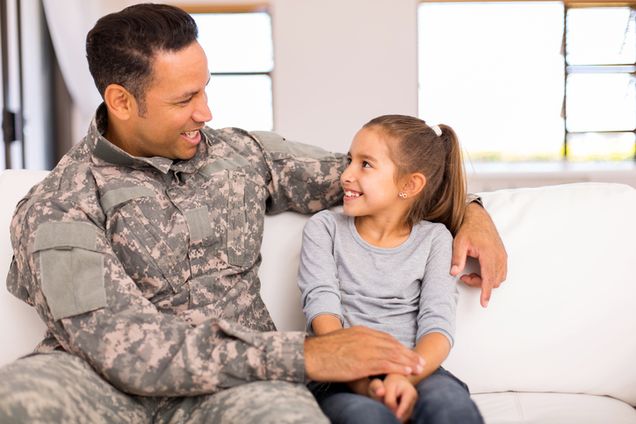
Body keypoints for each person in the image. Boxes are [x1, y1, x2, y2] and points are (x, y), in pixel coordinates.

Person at [0, 4, 505, 423]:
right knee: (19, 398)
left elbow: (388, 182)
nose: (206, 112)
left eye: (205, 88)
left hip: (238, 390)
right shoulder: (59, 205)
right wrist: (306, 355)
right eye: (185, 98)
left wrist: (471, 213)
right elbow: (124, 347)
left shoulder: (240, 156)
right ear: (121, 101)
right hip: (102, 388)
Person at [298, 115, 483, 423]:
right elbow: (322, 309)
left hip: (417, 371)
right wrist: (367, 384)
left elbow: (437, 324)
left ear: (410, 184)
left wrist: (405, 379)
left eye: (365, 164)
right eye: (349, 160)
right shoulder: (325, 229)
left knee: (451, 407)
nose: (345, 174)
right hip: (339, 376)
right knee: (366, 417)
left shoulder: (435, 239)